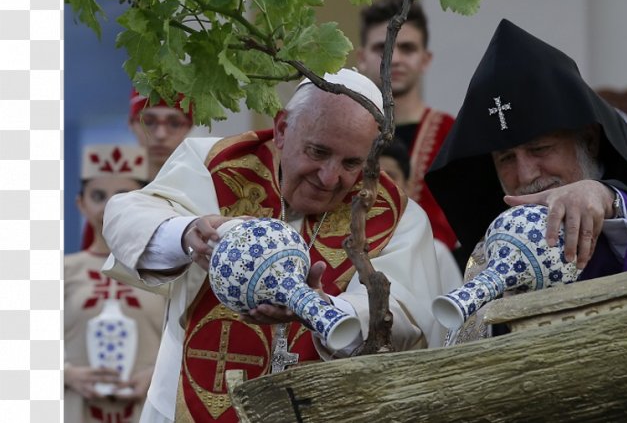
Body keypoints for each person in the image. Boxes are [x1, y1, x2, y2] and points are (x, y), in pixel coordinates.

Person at [102, 69, 446, 422]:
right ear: (282, 129)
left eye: (352, 162)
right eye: (318, 151)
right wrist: (187, 234)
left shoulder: (394, 215)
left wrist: (324, 308)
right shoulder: (217, 165)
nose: (330, 177)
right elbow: (126, 215)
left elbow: (408, 318)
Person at [424, 20, 627, 344]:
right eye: (506, 158)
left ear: (590, 141)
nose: (526, 175)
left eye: (540, 149)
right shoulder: (492, 252)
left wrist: (609, 199)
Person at [65, 144, 166, 422]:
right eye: (98, 196)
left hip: (146, 410)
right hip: (73, 410)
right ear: (81, 204)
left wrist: (157, 373)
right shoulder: (59, 270)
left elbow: (184, 343)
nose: (109, 206)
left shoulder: (168, 272)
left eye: (123, 196)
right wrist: (66, 374)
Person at [357, 0, 459, 256]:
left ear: (425, 59)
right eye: (383, 47)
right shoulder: (346, 134)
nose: (396, 58)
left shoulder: (451, 133)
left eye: (408, 48)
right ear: (362, 58)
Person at [80, 90, 194, 250]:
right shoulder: (111, 191)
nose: (161, 134)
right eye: (148, 122)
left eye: (174, 123)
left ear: (189, 126)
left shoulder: (201, 188)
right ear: (131, 124)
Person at [379, 138, 463, 290]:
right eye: (371, 176)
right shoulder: (347, 249)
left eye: (390, 176)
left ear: (409, 186)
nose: (380, 187)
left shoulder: (436, 254)